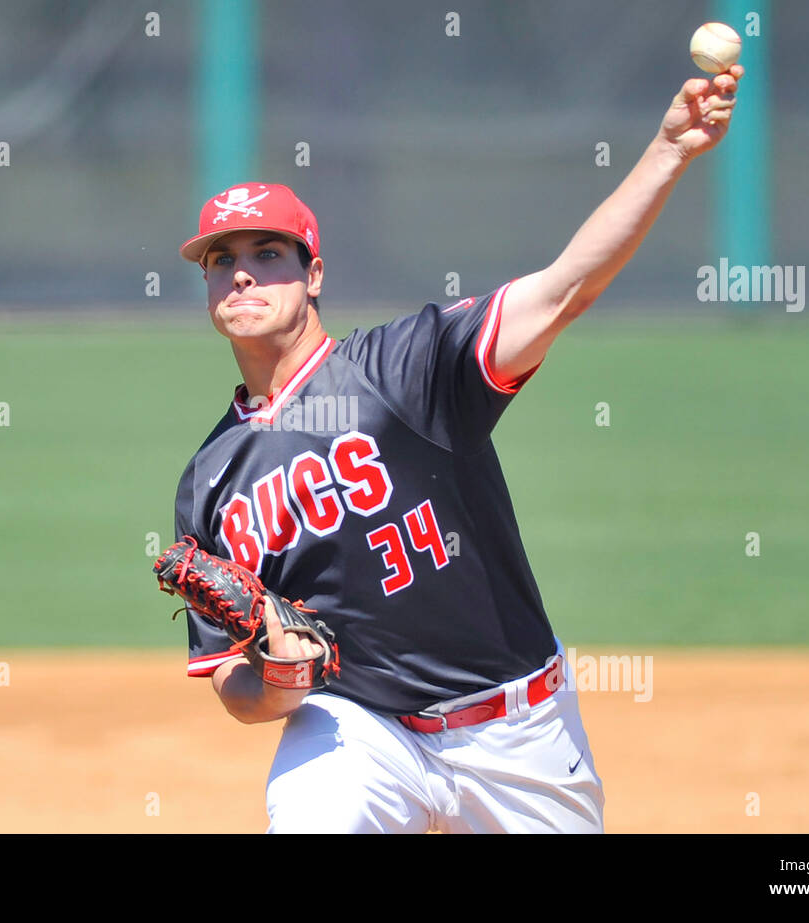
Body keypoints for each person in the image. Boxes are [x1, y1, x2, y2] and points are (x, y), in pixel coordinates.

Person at [170, 67, 743, 833]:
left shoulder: (407, 370)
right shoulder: (211, 480)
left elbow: (567, 286)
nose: (241, 271)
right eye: (220, 259)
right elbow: (234, 689)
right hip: (359, 730)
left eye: (267, 252)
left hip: (519, 729)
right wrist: (277, 683)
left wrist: (669, 151)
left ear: (314, 275)